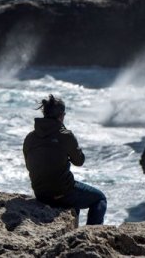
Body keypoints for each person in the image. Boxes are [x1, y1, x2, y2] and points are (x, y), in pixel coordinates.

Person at [23, 94, 107, 225]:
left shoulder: (30, 137)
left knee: (74, 206)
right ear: (61, 116)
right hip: (62, 193)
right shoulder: (65, 135)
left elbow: (29, 165)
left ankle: (74, 231)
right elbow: (79, 161)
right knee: (100, 199)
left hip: (41, 193)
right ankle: (92, 235)